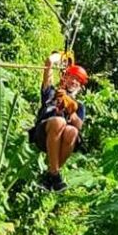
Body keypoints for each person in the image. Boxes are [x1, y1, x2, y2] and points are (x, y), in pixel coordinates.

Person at [30, 57, 89, 192]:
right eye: (72, 77)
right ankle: (55, 174)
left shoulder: (79, 106)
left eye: (78, 81)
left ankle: (50, 175)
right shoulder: (51, 92)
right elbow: (49, 63)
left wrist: (70, 107)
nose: (74, 81)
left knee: (72, 132)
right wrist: (61, 55)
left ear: (80, 87)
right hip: (43, 134)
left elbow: (78, 126)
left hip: (62, 141)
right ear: (65, 77)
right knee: (59, 121)